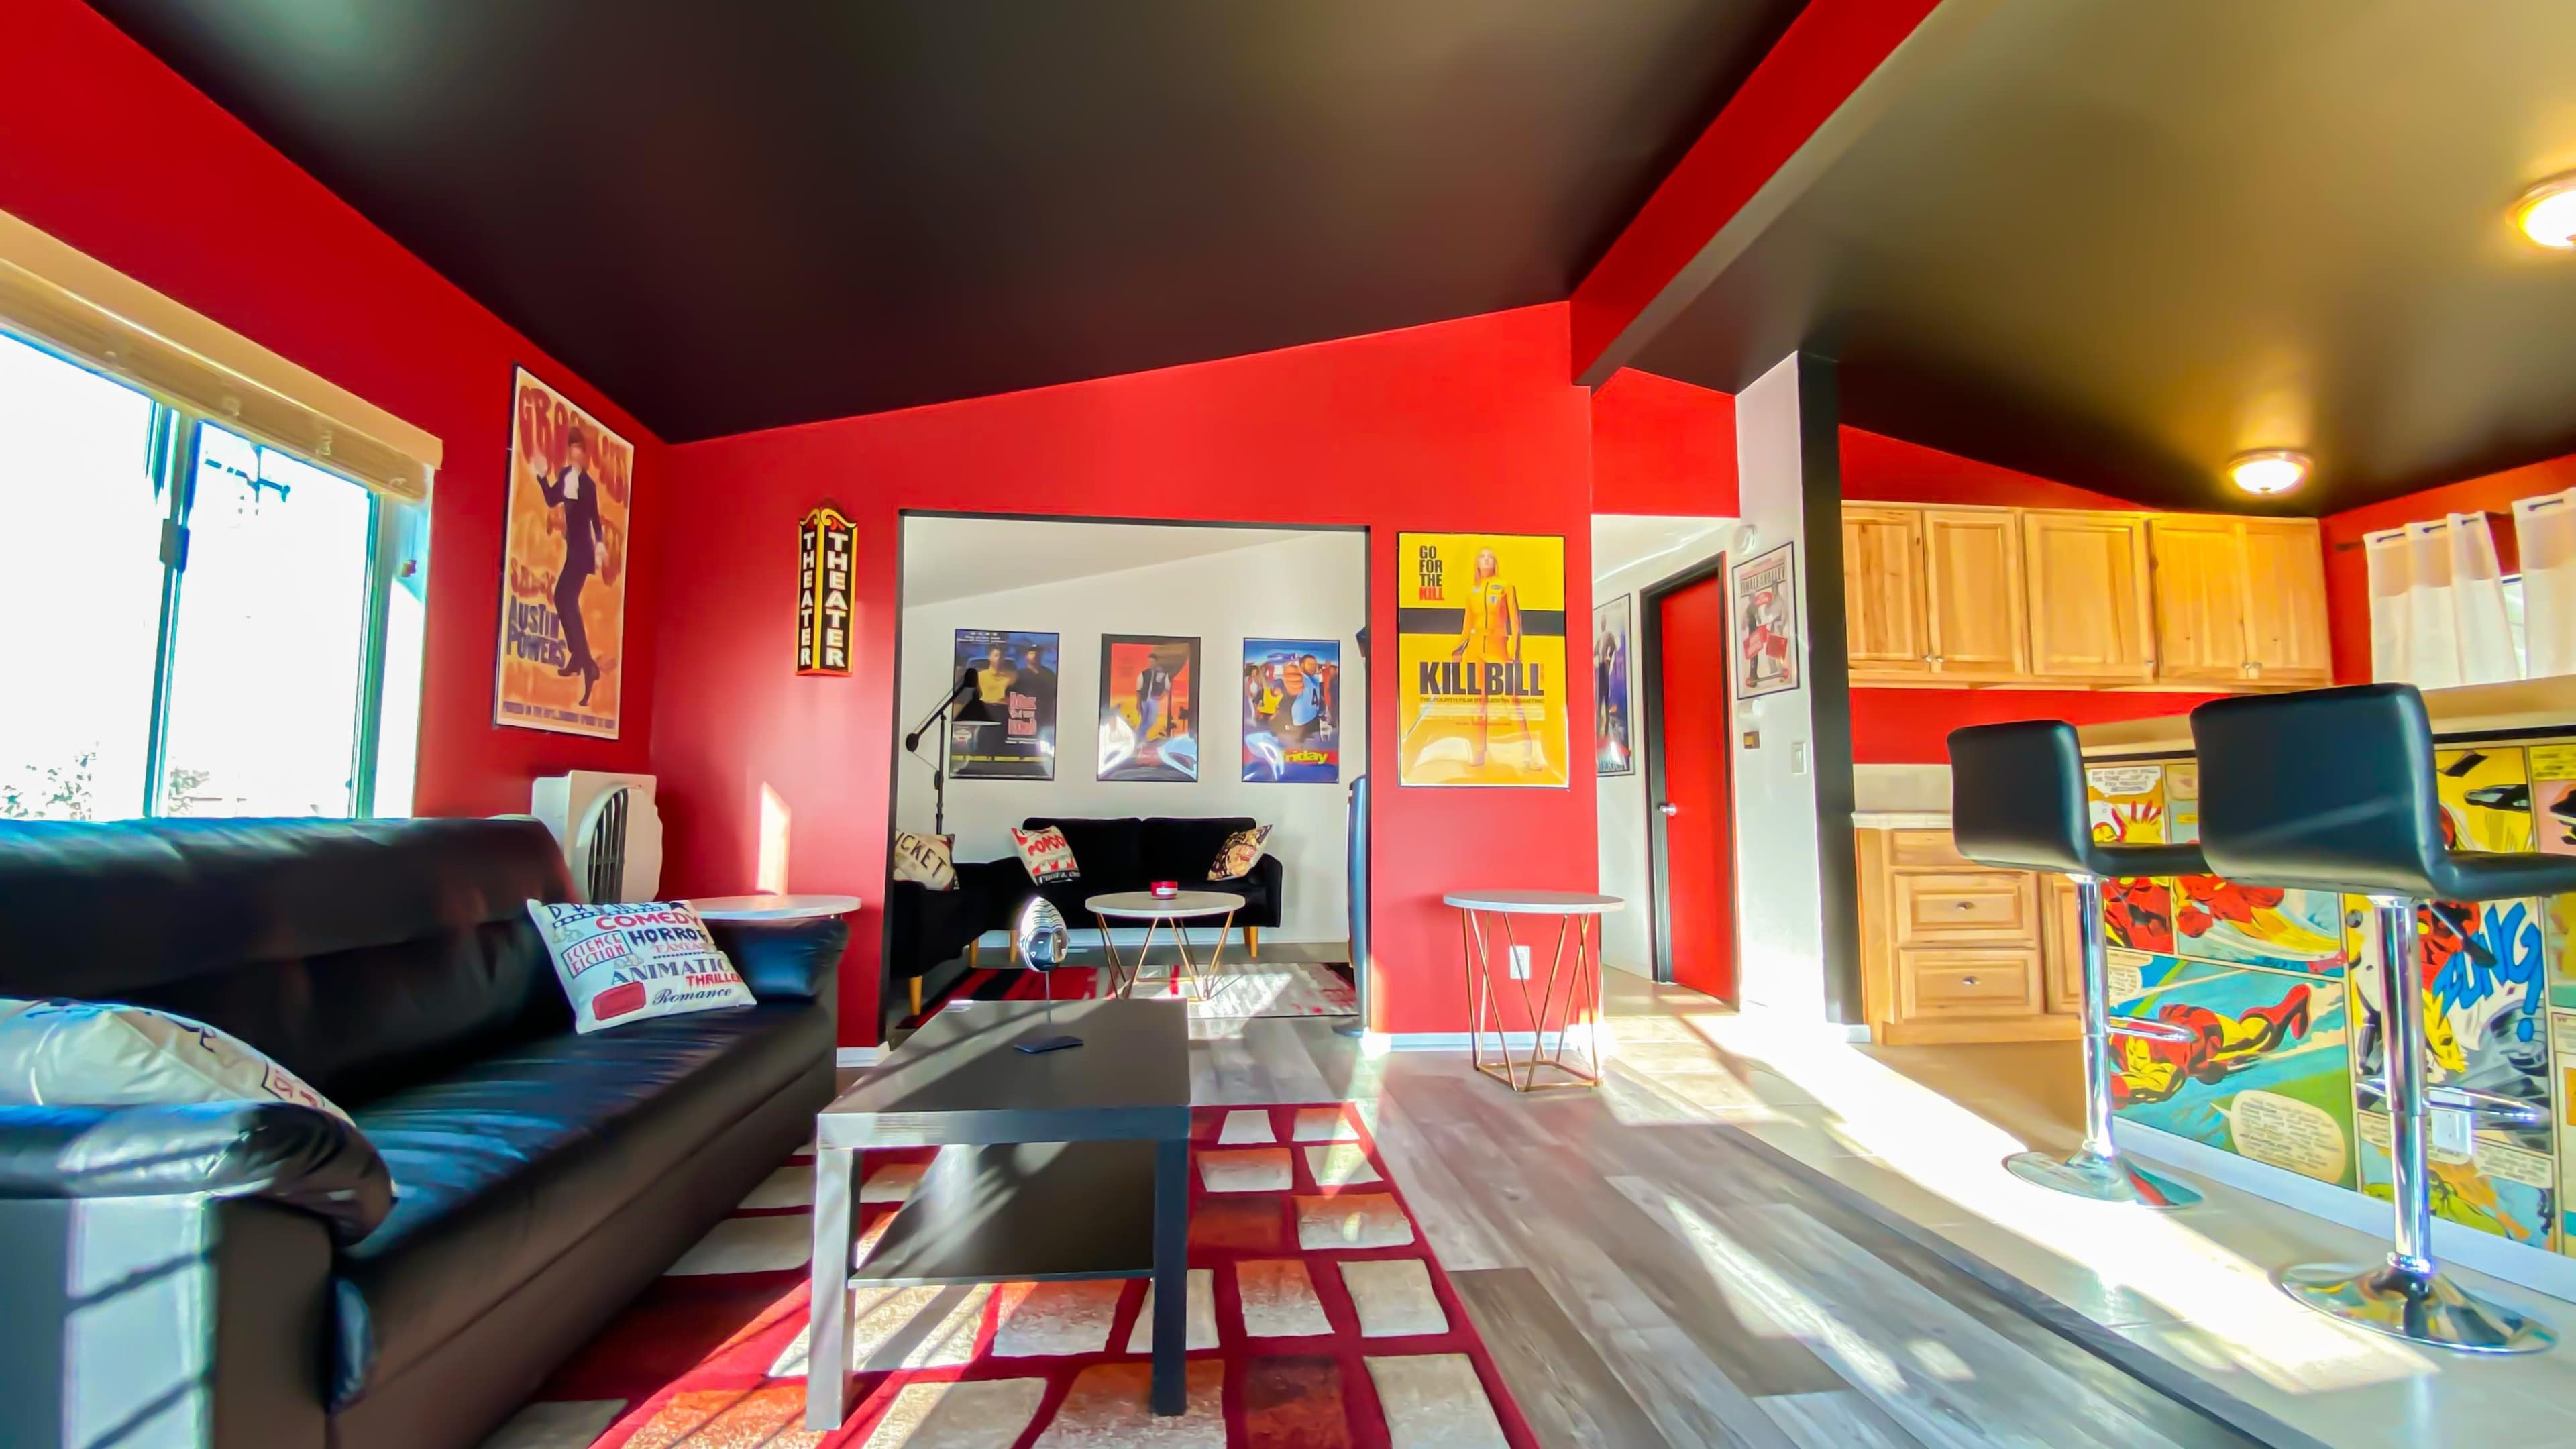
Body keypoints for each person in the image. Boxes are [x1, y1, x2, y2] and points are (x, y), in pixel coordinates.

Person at [538, 427, 608, 706]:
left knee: (565, 599)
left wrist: (601, 545)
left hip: (583, 553)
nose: (575, 453)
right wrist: (541, 476)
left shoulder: (588, 485)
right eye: (572, 448)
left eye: (579, 449)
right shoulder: (566, 475)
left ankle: (583, 660)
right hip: (573, 549)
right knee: (565, 600)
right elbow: (552, 499)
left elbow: (595, 520)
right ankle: (583, 661)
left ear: (585, 453)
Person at [1450, 547, 1534, 769]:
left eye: (1489, 556)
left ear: (1495, 562)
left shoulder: (1506, 586)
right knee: (1480, 700)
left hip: (1498, 645)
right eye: (1482, 556)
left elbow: (1515, 620)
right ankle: (1479, 752)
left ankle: (1528, 752)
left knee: (1512, 697)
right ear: (1477, 563)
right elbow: (1467, 625)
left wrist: (1516, 649)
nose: (1485, 559)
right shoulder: (1472, 592)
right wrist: (1458, 650)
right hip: (1476, 647)